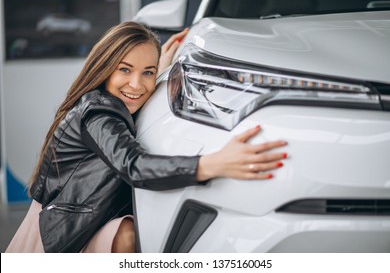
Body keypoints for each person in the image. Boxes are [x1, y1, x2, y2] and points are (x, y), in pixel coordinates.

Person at [6, 21, 288, 253]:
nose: (136, 84)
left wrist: (161, 69)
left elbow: (134, 97)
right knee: (127, 233)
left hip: (67, 220)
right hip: (55, 232)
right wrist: (213, 164)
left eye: (147, 73)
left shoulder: (107, 101)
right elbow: (134, 165)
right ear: (104, 67)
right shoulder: (99, 112)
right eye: (125, 69)